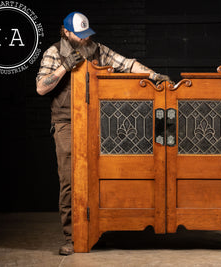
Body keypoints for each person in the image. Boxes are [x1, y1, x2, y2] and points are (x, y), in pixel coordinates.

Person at [36, 11, 172, 255]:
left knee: (102, 174)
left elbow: (127, 64)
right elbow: (41, 88)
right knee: (70, 180)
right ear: (66, 32)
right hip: (67, 122)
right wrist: (64, 68)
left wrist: (154, 76)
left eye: (86, 35)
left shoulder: (97, 49)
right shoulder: (53, 52)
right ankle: (73, 237)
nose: (84, 40)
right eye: (79, 35)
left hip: (96, 121)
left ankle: (96, 230)